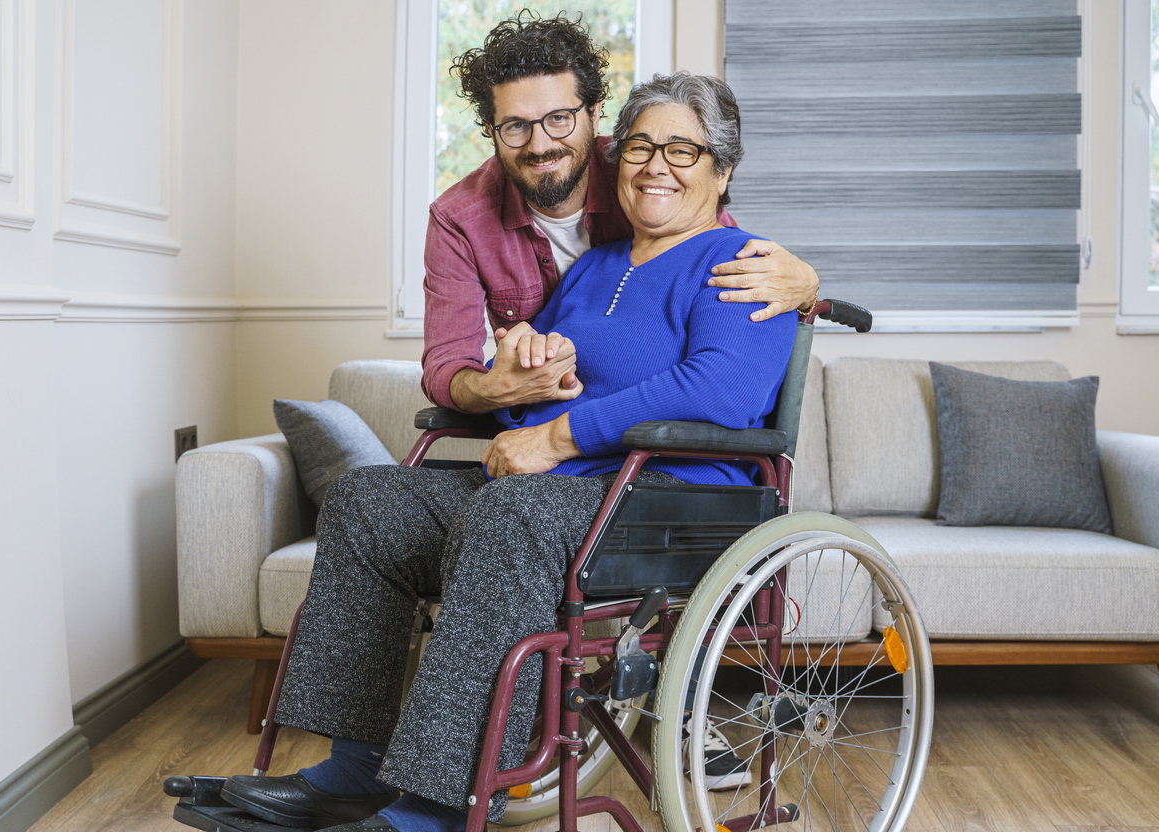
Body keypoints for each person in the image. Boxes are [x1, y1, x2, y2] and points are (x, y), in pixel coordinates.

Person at [220, 72, 797, 832]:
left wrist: (558, 436)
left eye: (683, 149)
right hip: (569, 495)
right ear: (614, 158)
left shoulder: (741, 264)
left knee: (513, 516)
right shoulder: (597, 266)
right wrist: (524, 368)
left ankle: (436, 809)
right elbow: (531, 385)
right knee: (370, 501)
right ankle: (354, 771)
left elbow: (720, 390)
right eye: (642, 146)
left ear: (722, 169)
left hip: (672, 503)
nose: (657, 164)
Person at [422, 12, 817, 418]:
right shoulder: (460, 219)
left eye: (559, 118)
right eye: (516, 126)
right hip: (544, 453)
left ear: (594, 114)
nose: (540, 145)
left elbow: (708, 243)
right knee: (367, 484)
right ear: (491, 129)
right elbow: (448, 366)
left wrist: (807, 284)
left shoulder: (643, 177)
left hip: (625, 465)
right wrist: (497, 388)